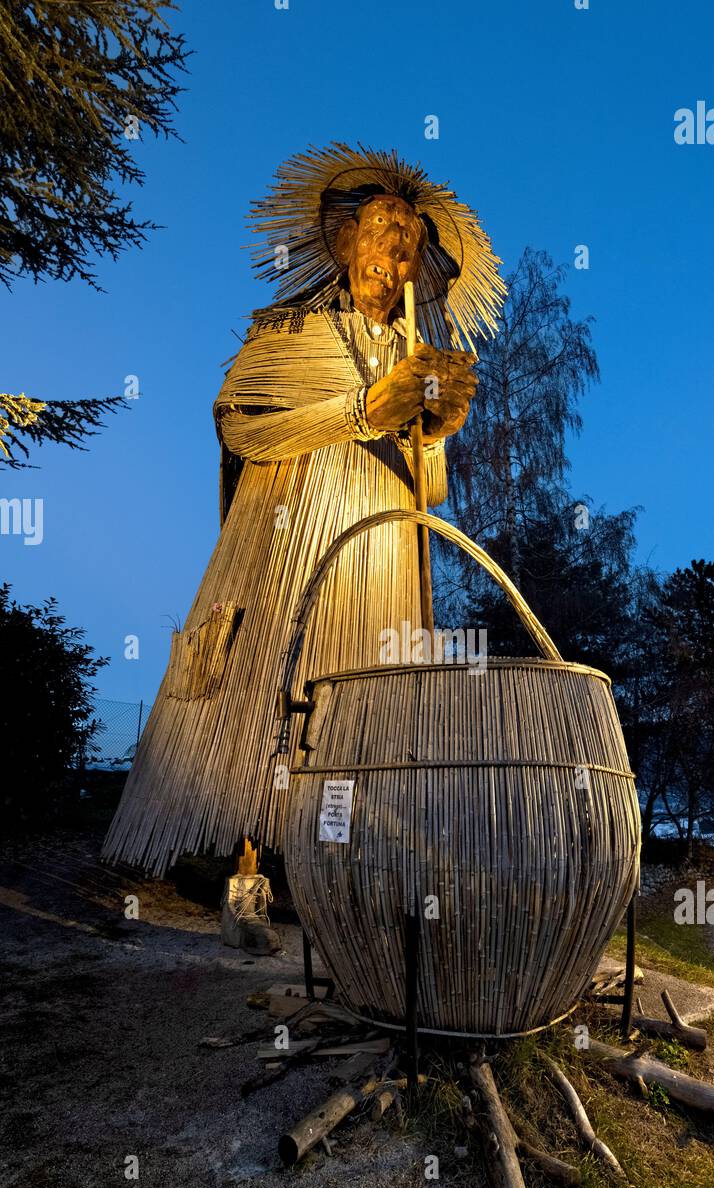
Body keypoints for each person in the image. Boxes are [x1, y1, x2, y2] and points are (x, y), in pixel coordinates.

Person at [103, 143, 504, 876]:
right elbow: (242, 430)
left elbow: (432, 489)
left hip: (376, 565)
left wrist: (435, 432)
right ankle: (231, 840)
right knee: (267, 685)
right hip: (283, 544)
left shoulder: (412, 360)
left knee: (358, 706)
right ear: (344, 239)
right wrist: (359, 410)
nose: (394, 248)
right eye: (382, 225)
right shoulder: (286, 335)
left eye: (410, 242)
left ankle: (334, 858)